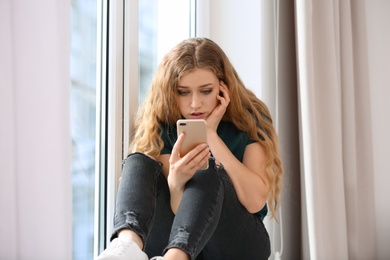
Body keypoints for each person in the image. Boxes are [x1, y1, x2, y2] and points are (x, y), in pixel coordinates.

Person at [97, 37, 282, 260]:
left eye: (205, 91)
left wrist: (211, 135)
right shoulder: (163, 123)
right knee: (138, 162)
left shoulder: (250, 118)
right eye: (183, 92)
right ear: (170, 91)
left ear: (224, 88)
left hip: (238, 245)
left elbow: (254, 202)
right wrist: (175, 183)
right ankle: (127, 246)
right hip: (176, 243)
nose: (195, 104)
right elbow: (178, 209)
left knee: (207, 169)